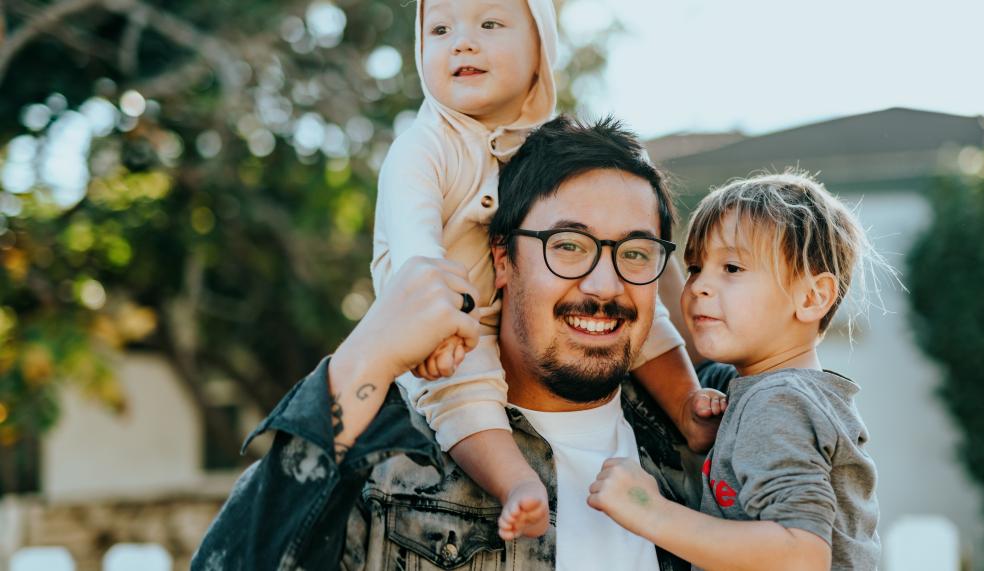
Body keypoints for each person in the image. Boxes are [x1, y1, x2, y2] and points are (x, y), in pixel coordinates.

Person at [192, 115, 733, 571]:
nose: (604, 285)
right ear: (502, 260)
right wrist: (369, 352)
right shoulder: (392, 455)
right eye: (568, 246)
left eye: (635, 253)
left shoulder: (723, 434)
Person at [370, 0, 720, 540]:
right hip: (446, 326)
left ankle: (687, 403)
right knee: (462, 394)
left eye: (489, 25)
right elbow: (417, 254)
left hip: (494, 311)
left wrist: (642, 244)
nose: (462, 42)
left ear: (541, 51)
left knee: (642, 316)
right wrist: (434, 326)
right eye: (439, 29)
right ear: (504, 253)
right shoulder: (423, 149)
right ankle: (516, 483)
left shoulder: (550, 146)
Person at [588, 172, 884, 570]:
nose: (698, 288)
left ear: (812, 297)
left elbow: (801, 554)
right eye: (694, 267)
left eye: (731, 267)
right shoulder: (761, 391)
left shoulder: (777, 404)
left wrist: (648, 511)